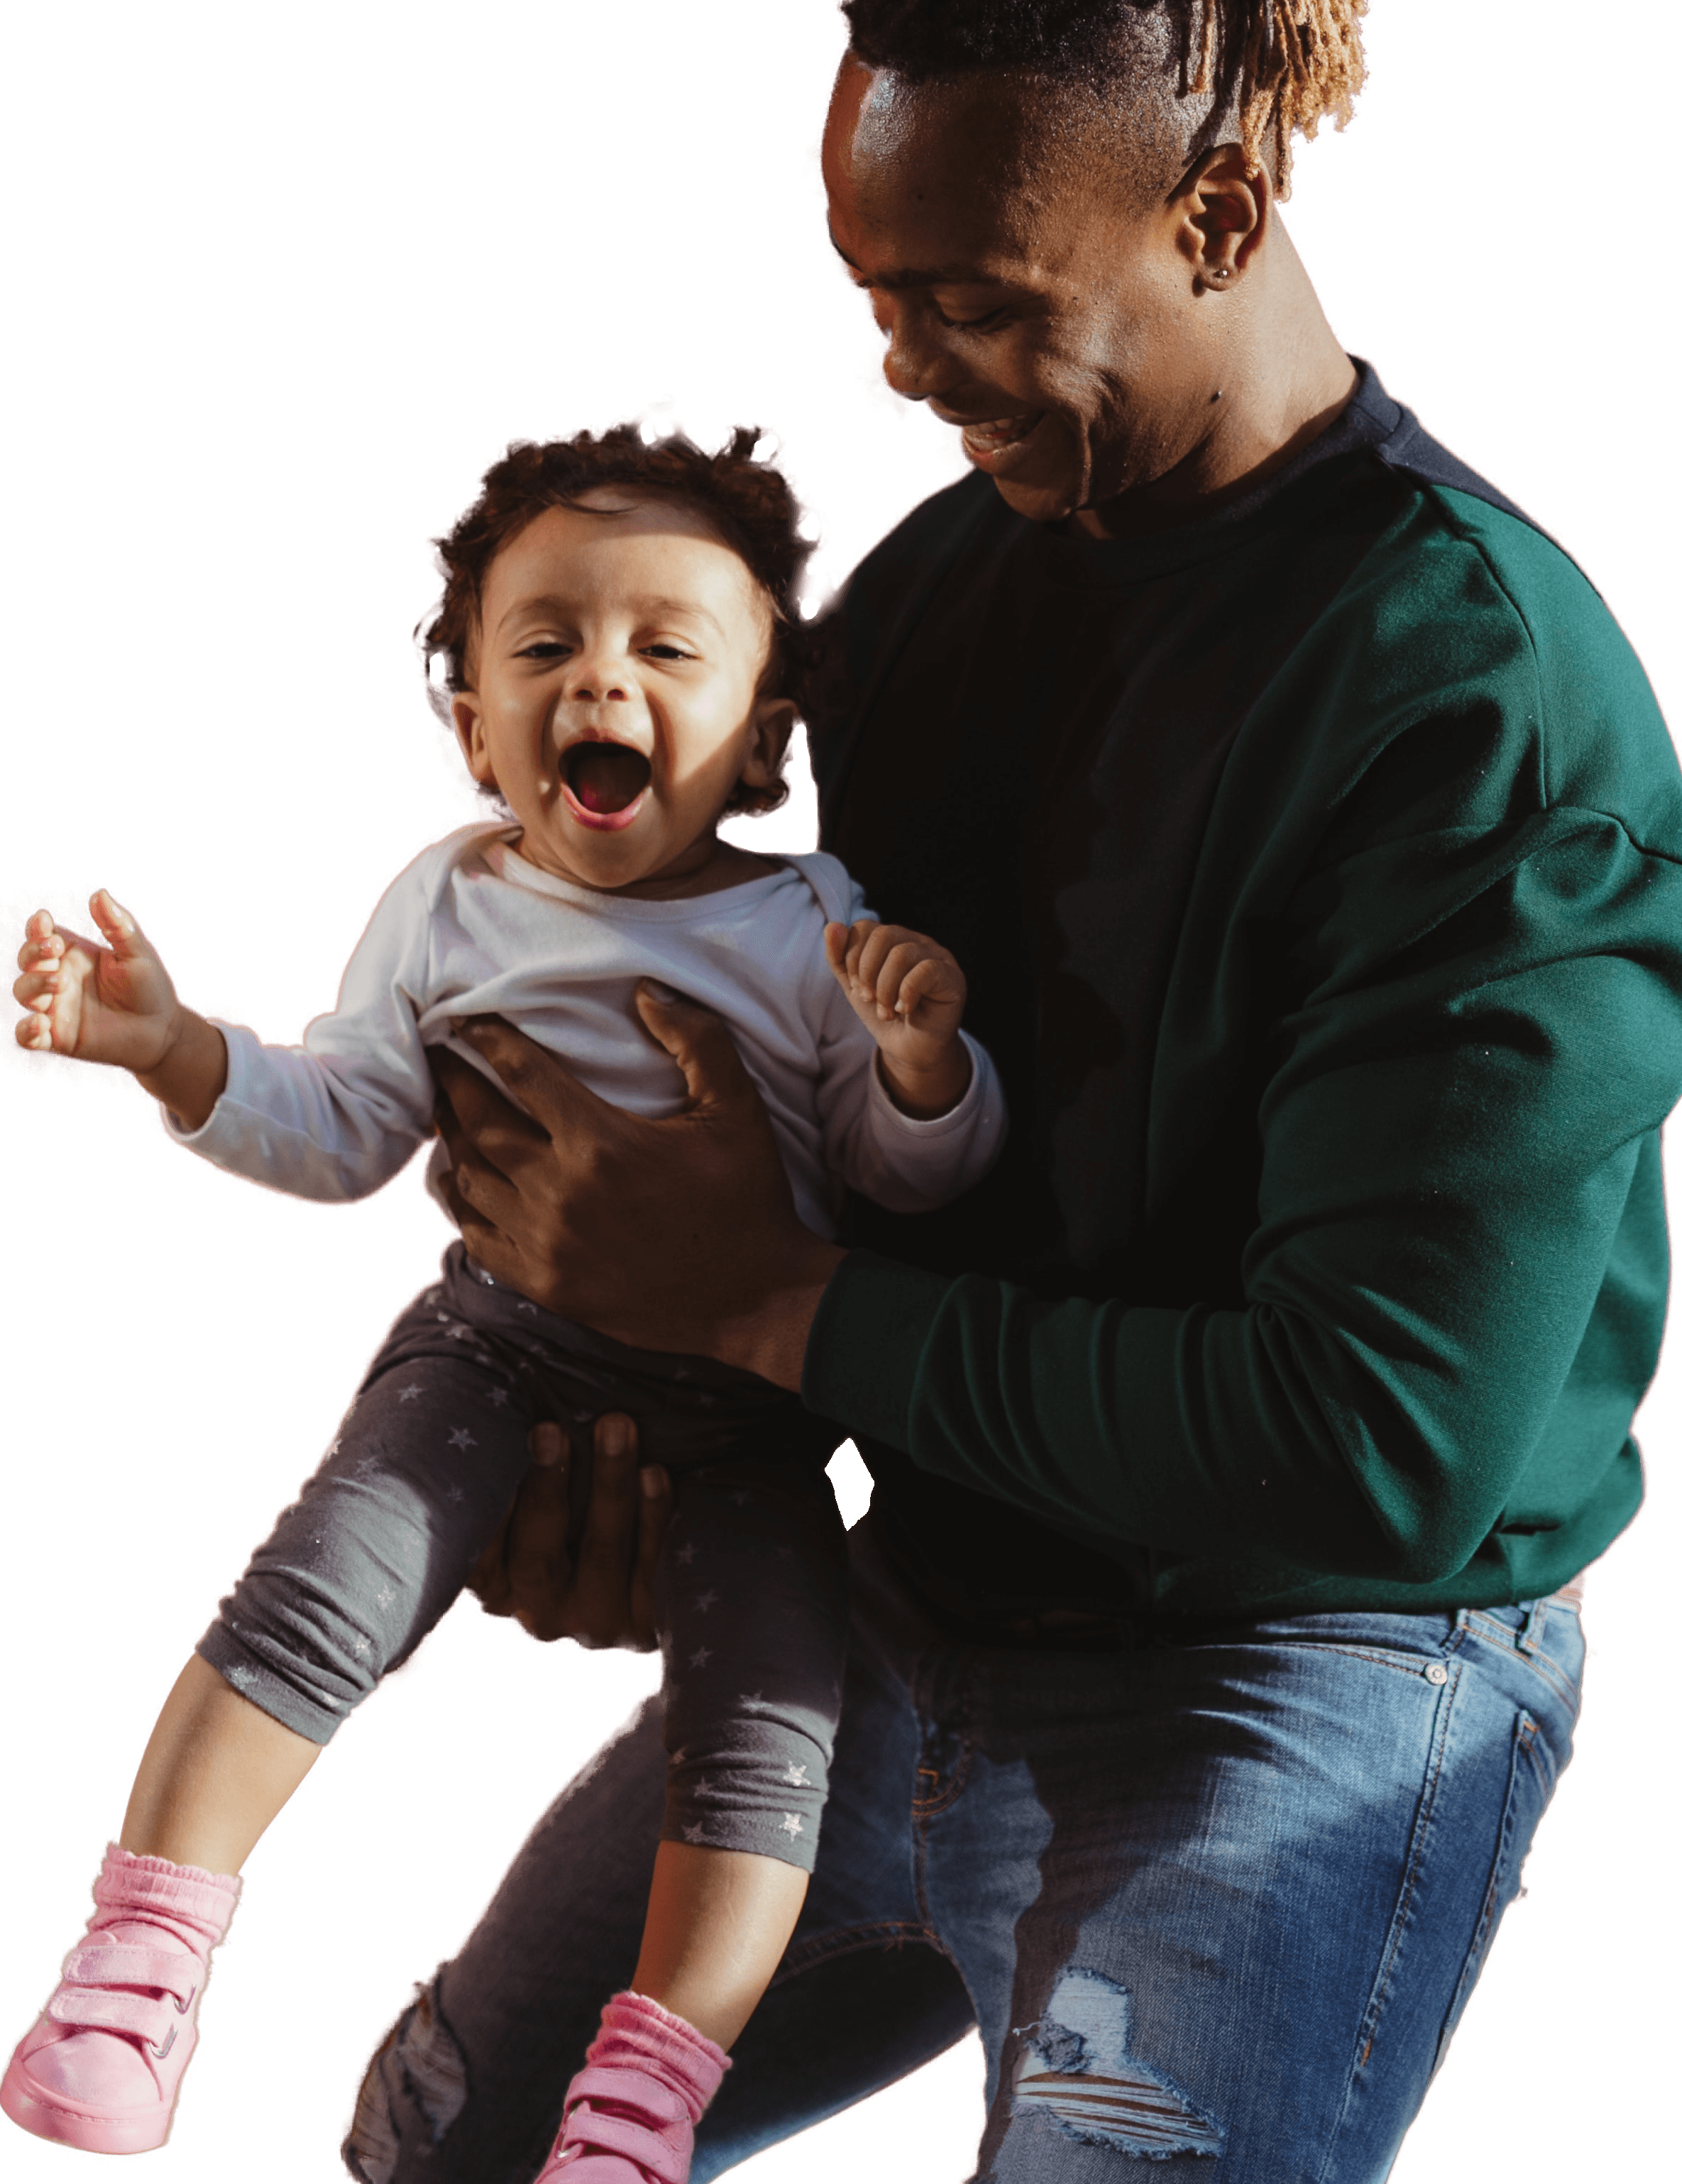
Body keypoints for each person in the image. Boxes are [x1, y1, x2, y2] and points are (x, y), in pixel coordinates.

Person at [331, 0, 1682, 2184]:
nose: (890, 375)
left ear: (1215, 199)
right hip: (922, 1609)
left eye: (974, 304)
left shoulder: (1480, 716)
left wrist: (755, 1305)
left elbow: (1377, 1448)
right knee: (440, 2134)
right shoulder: (940, 601)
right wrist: (614, 1449)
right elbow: (820, 1140)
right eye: (873, 291)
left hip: (1307, 1676)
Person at [0, 419, 1006, 2172]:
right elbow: (341, 1124)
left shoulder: (808, 931)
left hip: (752, 1411)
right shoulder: (451, 906)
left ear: (767, 734)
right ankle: (140, 1954)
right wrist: (170, 1050)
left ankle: (641, 2101)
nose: (596, 681)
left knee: (773, 1733)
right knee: (329, 1578)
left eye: (663, 649)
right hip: (492, 1345)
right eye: (543, 646)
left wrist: (924, 1069)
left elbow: (896, 1183)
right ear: (473, 728)